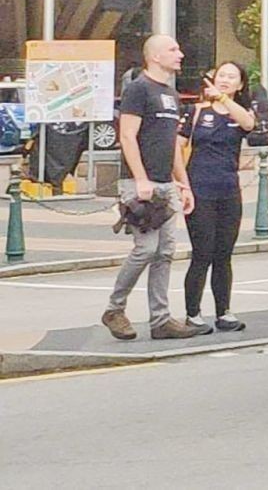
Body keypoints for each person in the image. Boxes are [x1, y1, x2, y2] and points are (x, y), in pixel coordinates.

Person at [102, 35, 203, 342]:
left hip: (165, 183)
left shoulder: (171, 94)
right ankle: (114, 308)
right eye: (173, 49)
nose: (180, 53)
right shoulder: (138, 89)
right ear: (155, 56)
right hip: (140, 183)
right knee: (145, 248)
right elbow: (128, 136)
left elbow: (172, 143)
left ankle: (160, 319)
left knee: (166, 251)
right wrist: (141, 178)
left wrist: (183, 183)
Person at [180, 62, 257, 333]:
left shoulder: (240, 113)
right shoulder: (196, 112)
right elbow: (177, 148)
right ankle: (192, 313)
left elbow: (249, 124)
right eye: (221, 75)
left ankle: (224, 311)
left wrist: (224, 98)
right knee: (202, 252)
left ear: (240, 85)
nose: (225, 79)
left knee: (224, 253)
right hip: (199, 188)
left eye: (231, 77)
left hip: (228, 189)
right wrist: (182, 184)